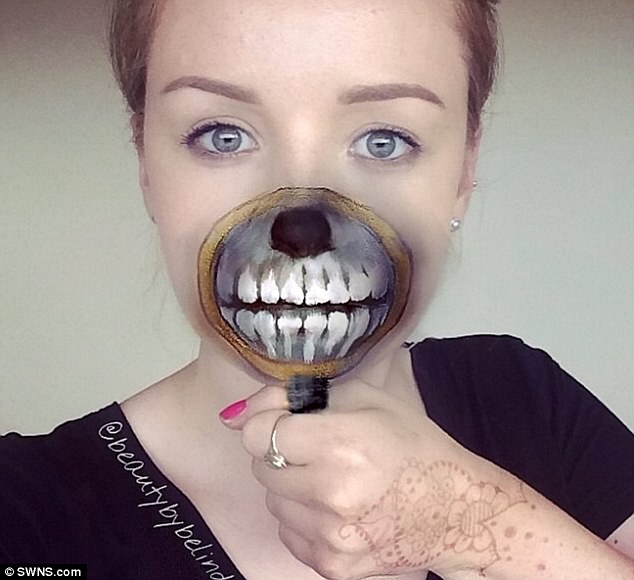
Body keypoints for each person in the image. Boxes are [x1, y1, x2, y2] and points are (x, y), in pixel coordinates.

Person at [1, 1, 633, 579]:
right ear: (146, 163)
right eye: (222, 135)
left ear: (464, 172)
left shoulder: (520, 395)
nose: (301, 223)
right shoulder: (27, 511)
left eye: (384, 141)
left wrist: (473, 524)